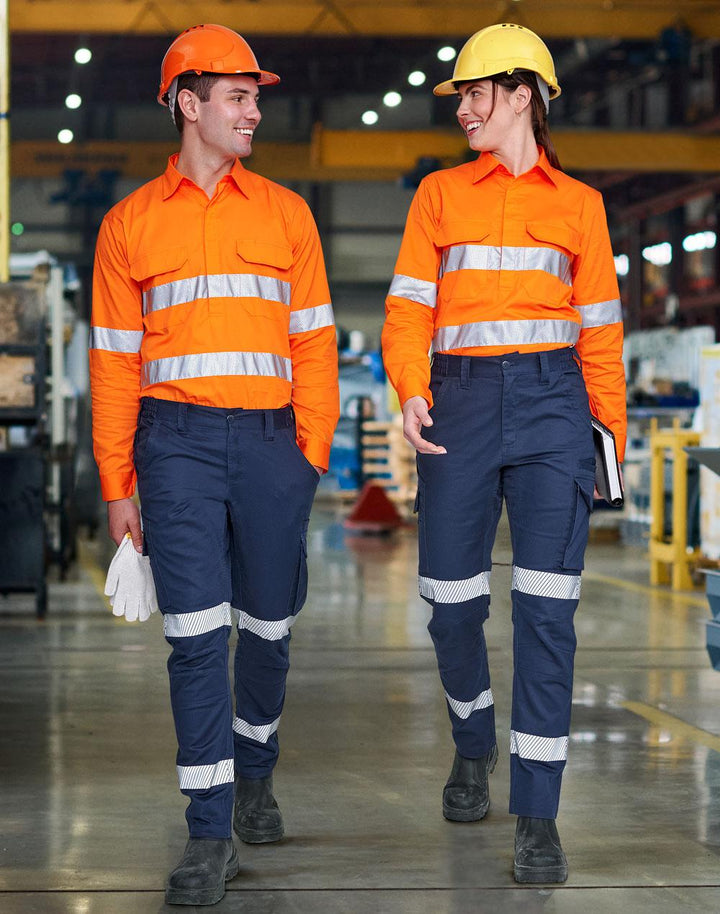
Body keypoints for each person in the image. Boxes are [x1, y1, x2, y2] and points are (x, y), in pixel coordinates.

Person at [89, 24, 339, 906]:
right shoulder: (128, 225)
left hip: (273, 447)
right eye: (238, 97)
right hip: (176, 448)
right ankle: (208, 831)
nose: (254, 112)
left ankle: (255, 768)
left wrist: (308, 455)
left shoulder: (287, 214)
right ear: (188, 104)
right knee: (194, 639)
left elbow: (315, 343)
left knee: (267, 628)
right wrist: (117, 483)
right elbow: (114, 364)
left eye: (255, 97)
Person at [382, 23, 625, 884]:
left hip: (556, 404)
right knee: (451, 602)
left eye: (475, 94)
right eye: (459, 97)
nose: (463, 110)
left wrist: (608, 442)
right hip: (460, 401)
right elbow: (408, 307)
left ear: (523, 95)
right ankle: (473, 735)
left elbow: (602, 334)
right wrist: (411, 385)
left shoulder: (580, 205)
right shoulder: (439, 195)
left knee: (547, 611)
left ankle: (538, 816)